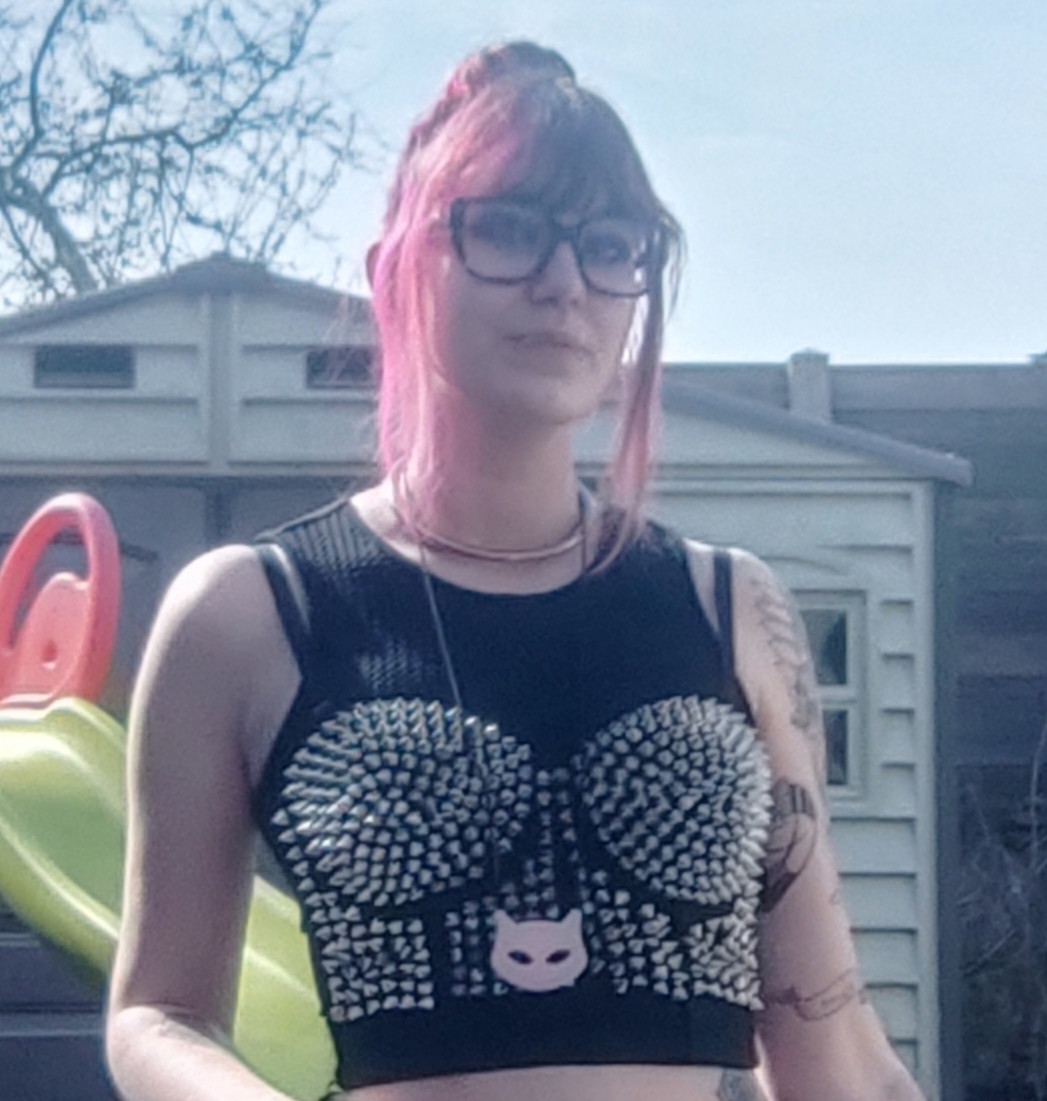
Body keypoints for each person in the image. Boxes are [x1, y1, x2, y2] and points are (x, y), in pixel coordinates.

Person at [105, 41, 925, 1101]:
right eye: (507, 227)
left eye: (610, 244)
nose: (563, 282)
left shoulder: (728, 609)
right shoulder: (249, 615)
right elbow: (157, 1011)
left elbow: (831, 1046)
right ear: (396, 267)